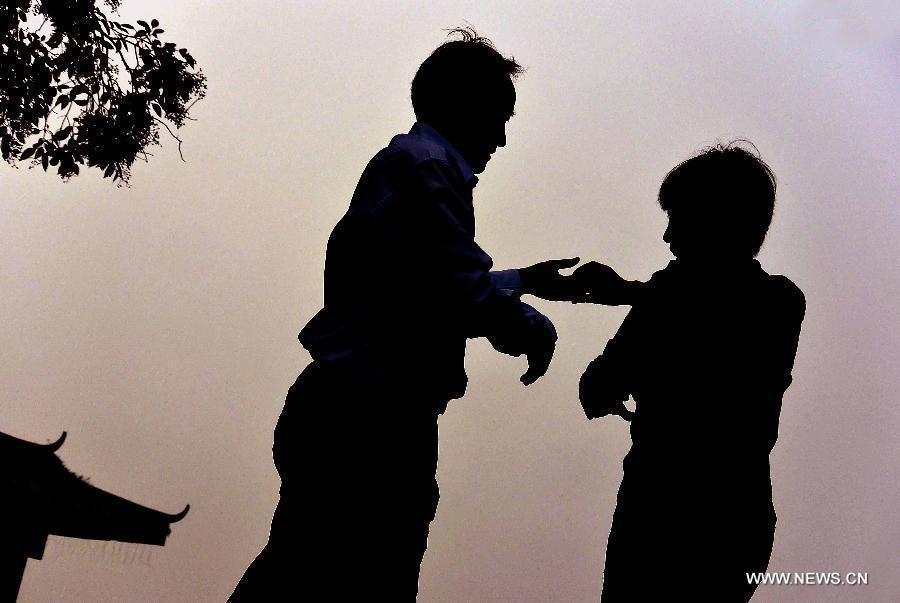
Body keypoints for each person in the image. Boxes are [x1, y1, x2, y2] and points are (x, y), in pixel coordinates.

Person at [229, 28, 577, 601]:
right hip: (369, 417)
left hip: (359, 409)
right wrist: (531, 322)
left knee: (303, 570)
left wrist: (526, 284)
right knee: (352, 577)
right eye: (500, 115)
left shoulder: (415, 166)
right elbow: (454, 291)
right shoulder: (426, 168)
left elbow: (432, 282)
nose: (503, 139)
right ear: (465, 106)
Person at [576, 142, 806, 602]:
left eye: (676, 218)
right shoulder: (777, 301)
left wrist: (629, 294)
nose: (667, 237)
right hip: (731, 516)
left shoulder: (672, 298)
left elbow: (598, 386)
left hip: (664, 516)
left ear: (712, 220)